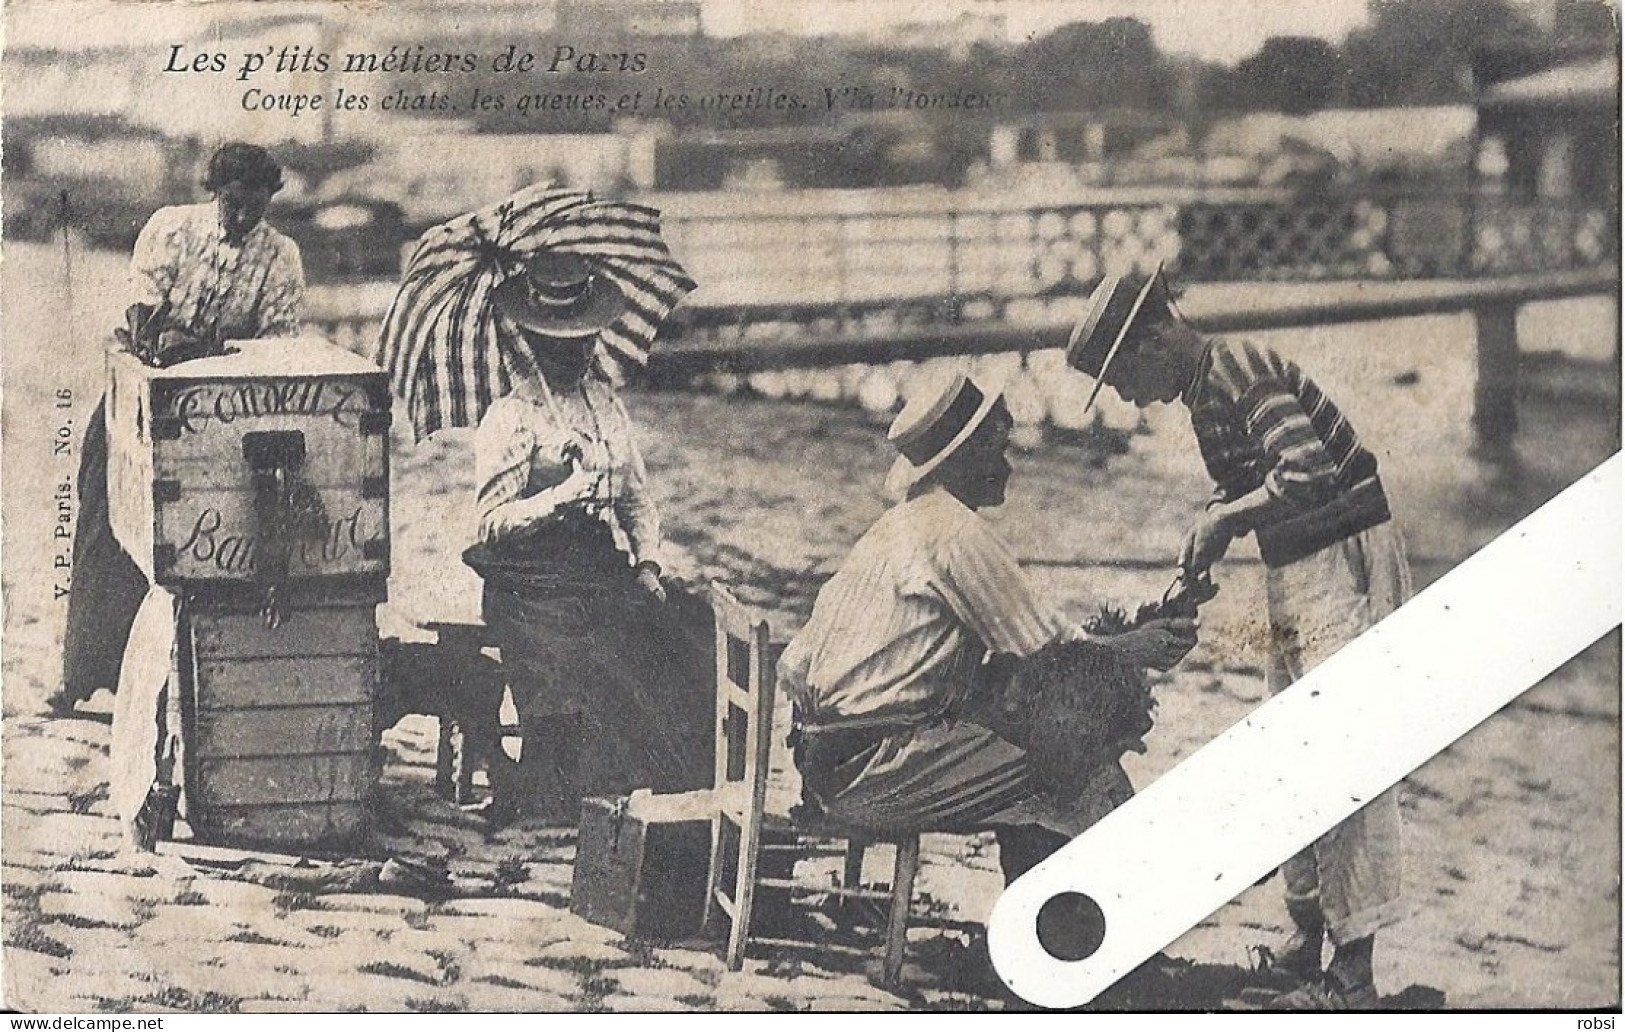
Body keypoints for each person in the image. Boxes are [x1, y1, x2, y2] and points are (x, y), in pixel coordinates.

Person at [1066, 266, 1413, 1010]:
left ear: (1156, 338)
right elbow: (1251, 482)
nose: (1127, 397)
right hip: (1296, 562)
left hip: (1342, 555)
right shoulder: (1203, 390)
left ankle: (1352, 975)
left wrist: (1225, 519)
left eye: (1122, 377)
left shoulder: (1238, 368)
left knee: (1343, 754)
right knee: (1289, 746)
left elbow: (1309, 472)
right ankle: (1305, 940)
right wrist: (1209, 538)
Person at [780, 371, 1197, 886]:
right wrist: (1137, 648)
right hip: (869, 774)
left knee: (1037, 742)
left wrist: (1127, 639)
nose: (1008, 464)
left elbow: (795, 665)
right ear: (962, 459)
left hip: (821, 760)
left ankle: (1049, 927)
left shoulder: (897, 525)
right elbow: (1051, 650)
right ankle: (1086, 940)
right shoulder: (955, 533)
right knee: (1076, 764)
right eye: (997, 449)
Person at [52, 142, 305, 715]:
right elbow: (147, 326)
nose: (243, 217)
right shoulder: (172, 230)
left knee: (204, 540)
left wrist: (200, 349)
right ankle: (84, 675)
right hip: (141, 400)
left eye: (255, 206)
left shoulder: (280, 255)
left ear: (270, 200)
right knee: (106, 527)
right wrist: (200, 347)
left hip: (223, 414)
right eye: (234, 204)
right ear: (216, 192)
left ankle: (193, 684)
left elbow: (274, 350)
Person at [463, 250, 712, 825]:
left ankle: (664, 796)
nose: (576, 354)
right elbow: (491, 522)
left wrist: (648, 564)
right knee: (589, 657)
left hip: (597, 565)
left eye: (583, 341)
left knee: (684, 631)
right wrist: (557, 498)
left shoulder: (606, 406)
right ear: (533, 342)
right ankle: (577, 790)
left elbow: (635, 499)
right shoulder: (514, 416)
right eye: (560, 343)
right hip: (531, 581)